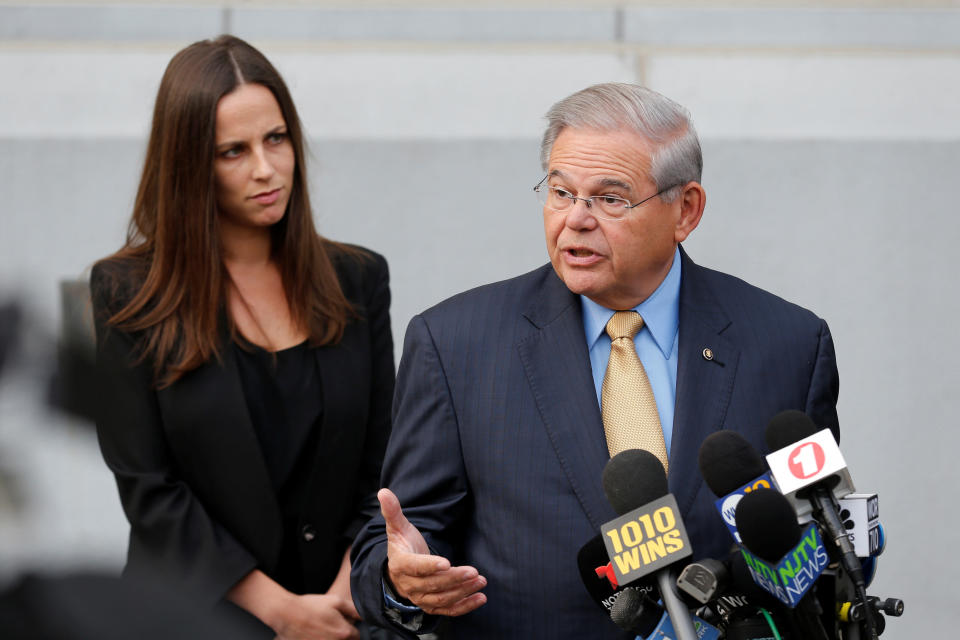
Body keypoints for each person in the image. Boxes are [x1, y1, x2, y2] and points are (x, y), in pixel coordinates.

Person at [350, 83, 839, 638]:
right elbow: (399, 539)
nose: (575, 219)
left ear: (686, 209)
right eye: (560, 192)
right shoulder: (455, 343)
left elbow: (818, 544)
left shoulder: (789, 345)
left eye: (610, 199)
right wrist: (400, 579)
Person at [90, 35, 395, 639]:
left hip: (341, 617)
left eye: (276, 139)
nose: (265, 168)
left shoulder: (357, 279)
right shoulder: (127, 292)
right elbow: (150, 491)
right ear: (189, 165)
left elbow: (383, 463)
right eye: (233, 151)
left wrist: (340, 597)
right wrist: (286, 615)